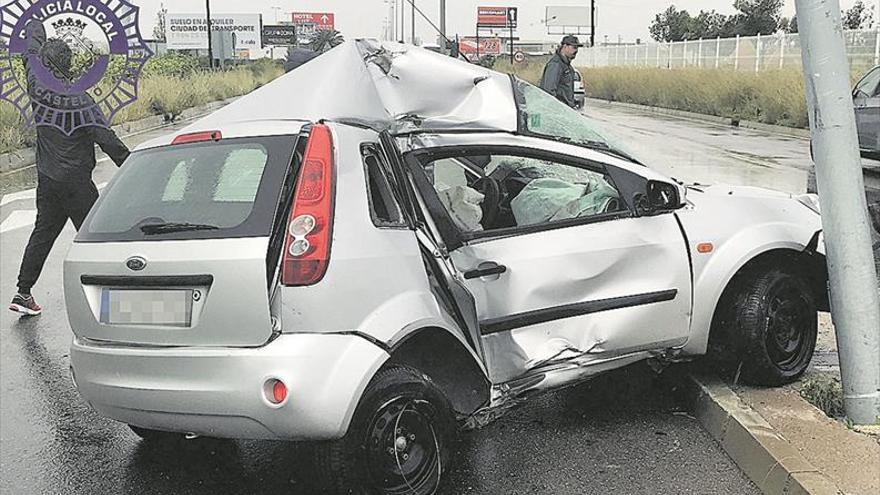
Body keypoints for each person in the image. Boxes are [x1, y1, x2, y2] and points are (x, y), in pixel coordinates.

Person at [9, 21, 130, 316]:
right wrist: (132, 168)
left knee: (43, 233)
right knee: (96, 237)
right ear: (69, 64)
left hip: (48, 179)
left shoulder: (37, 88)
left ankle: (23, 292)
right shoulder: (80, 99)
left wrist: (35, 20)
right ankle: (111, 301)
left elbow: (30, 54)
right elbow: (107, 139)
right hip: (76, 183)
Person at [539, 35, 583, 108]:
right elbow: (549, 91)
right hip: (557, 111)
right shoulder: (555, 64)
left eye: (577, 48)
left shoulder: (567, 66)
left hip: (565, 109)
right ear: (565, 46)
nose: (576, 51)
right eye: (574, 47)